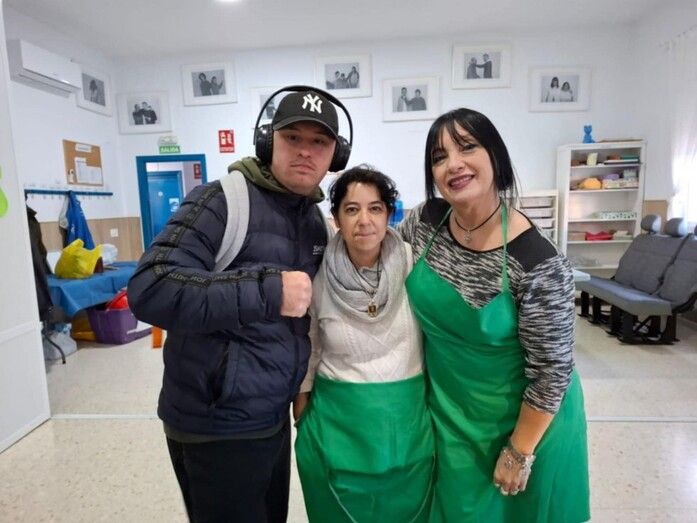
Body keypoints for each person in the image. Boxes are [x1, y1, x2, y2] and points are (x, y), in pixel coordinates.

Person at [127, 87, 350, 523]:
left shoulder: (312, 221)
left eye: (319, 142)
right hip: (213, 425)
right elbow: (151, 287)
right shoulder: (220, 201)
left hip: (270, 417)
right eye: (293, 138)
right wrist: (269, 290)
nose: (305, 151)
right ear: (268, 142)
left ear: (335, 155)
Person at [399, 108, 590, 522]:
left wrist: (519, 452)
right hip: (451, 416)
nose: (453, 164)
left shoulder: (537, 260)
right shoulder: (423, 223)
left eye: (467, 147)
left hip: (525, 426)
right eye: (439, 156)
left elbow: (552, 372)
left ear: (495, 157)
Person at [294, 166, 434, 522]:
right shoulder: (318, 273)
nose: (364, 220)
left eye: (375, 208)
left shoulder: (413, 263)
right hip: (339, 426)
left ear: (389, 214)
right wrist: (302, 396)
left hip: (406, 427)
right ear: (336, 218)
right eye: (352, 209)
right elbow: (310, 340)